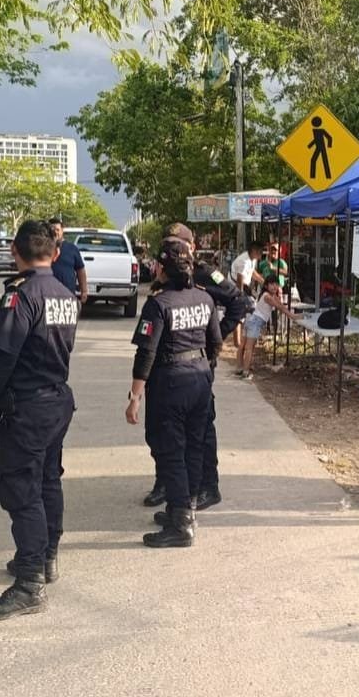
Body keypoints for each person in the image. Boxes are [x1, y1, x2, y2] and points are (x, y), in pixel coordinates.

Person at [0, 220, 79, 620]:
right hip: (57, 401)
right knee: (48, 480)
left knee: (22, 489)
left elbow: (3, 357)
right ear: (56, 252)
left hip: (28, 407)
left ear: (15, 251)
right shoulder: (66, 294)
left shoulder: (21, 296)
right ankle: (45, 558)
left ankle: (30, 583)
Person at [139, 222, 246, 512]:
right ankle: (166, 483)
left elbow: (239, 302)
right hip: (163, 368)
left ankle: (206, 486)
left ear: (192, 245)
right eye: (169, 242)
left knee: (200, 432)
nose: (173, 247)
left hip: (194, 365)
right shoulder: (164, 271)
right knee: (158, 429)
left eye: (179, 242)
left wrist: (215, 338)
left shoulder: (204, 272)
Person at [125, 236, 222, 547]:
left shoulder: (159, 304)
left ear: (161, 268)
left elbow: (146, 354)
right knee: (193, 448)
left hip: (170, 383)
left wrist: (135, 396)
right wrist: (204, 369)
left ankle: (180, 523)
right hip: (200, 378)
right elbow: (216, 342)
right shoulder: (204, 299)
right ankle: (185, 509)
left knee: (170, 452)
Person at [236, 275, 301, 380]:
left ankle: (240, 368)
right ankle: (245, 371)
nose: (274, 286)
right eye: (272, 284)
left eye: (276, 284)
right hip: (255, 321)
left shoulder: (271, 295)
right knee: (249, 348)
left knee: (243, 346)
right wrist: (292, 316)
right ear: (266, 286)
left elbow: (280, 304)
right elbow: (279, 306)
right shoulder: (267, 296)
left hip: (251, 319)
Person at [228, 240, 263, 346]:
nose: (261, 254)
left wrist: (263, 281)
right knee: (246, 311)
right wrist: (241, 296)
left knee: (244, 314)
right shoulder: (244, 261)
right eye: (260, 251)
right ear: (253, 251)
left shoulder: (253, 259)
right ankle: (240, 341)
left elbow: (252, 272)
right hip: (236, 288)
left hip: (244, 286)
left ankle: (245, 339)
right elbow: (239, 279)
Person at [47, 218, 88, 308]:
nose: (55, 232)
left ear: (62, 230)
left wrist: (84, 290)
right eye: (52, 230)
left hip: (67, 294)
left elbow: (80, 270)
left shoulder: (72, 248)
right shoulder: (44, 248)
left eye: (57, 230)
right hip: (47, 295)